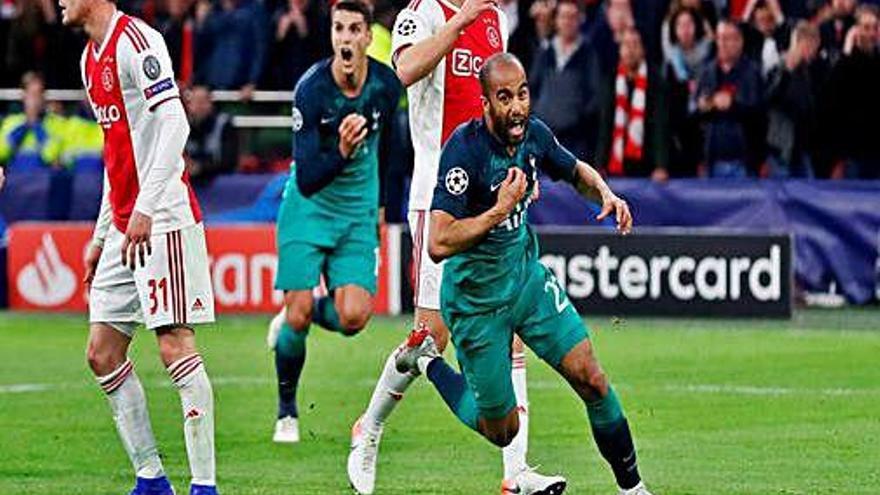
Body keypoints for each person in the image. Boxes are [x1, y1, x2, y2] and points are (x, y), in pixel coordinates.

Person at [395, 52, 651, 495]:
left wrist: (605, 193)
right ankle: (427, 360)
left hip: (525, 280)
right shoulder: (464, 149)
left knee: (591, 376)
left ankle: (634, 490)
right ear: (485, 104)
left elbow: (574, 172)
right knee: (503, 430)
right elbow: (438, 242)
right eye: (504, 97)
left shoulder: (533, 134)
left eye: (523, 94)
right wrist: (500, 209)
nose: (517, 107)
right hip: (475, 303)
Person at [347, 1, 564, 494]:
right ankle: (370, 427)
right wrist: (459, 20)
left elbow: (503, 107)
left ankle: (516, 475)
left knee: (512, 331)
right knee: (429, 338)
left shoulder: (497, 19)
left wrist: (522, 165)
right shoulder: (420, 12)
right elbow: (402, 70)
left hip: (490, 200)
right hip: (437, 202)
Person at [59, 0, 218, 492]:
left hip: (163, 217)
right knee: (102, 352)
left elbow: (175, 124)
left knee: (174, 346)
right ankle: (151, 480)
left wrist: (146, 209)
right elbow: (118, 154)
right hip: (126, 224)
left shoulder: (138, 42)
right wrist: (101, 233)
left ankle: (204, 485)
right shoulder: (89, 59)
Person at [266, 0, 403, 447]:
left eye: (354, 29)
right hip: (309, 207)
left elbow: (390, 149)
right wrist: (342, 152)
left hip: (356, 212)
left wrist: (382, 205)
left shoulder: (384, 85)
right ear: (332, 35)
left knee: (354, 317)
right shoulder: (311, 90)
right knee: (301, 314)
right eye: (338, 29)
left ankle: (292, 318)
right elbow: (306, 175)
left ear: (367, 37)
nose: (345, 38)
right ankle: (287, 410)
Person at [530, 0, 601, 161]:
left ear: (579, 20)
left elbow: (595, 95)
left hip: (576, 142)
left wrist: (576, 120)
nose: (568, 22)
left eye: (572, 17)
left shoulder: (588, 53)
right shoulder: (545, 51)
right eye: (564, 17)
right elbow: (532, 87)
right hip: (543, 138)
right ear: (556, 21)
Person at [596, 27, 669, 179]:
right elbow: (605, 124)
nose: (630, 50)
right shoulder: (611, 80)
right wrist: (600, 165)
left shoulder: (655, 81)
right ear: (620, 50)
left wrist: (660, 166)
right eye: (626, 45)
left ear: (643, 49)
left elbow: (660, 126)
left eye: (635, 44)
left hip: (646, 165)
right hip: (616, 164)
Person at [695, 20, 762, 177]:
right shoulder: (707, 72)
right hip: (712, 159)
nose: (723, 43)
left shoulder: (752, 72)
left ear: (740, 41)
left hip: (744, 161)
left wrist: (733, 104)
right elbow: (694, 112)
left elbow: (759, 115)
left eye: (728, 38)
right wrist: (705, 106)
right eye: (720, 38)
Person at [0, 72, 66, 171]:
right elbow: (2, 153)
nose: (35, 100)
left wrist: (36, 125)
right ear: (24, 96)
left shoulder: (54, 123)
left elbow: (53, 158)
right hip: (14, 181)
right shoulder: (11, 121)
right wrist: (23, 127)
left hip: (43, 182)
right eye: (32, 94)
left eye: (39, 94)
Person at [184, 85, 238, 184]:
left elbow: (230, 161)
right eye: (194, 102)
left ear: (210, 103)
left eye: (202, 102)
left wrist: (200, 168)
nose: (199, 106)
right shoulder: (182, 125)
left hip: (218, 182)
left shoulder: (223, 124)